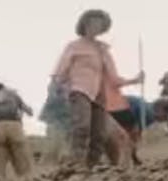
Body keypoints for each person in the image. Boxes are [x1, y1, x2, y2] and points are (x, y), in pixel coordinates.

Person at [51, 9, 142, 168]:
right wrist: (56, 83)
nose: (96, 27)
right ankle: (76, 164)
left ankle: (90, 166)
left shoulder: (103, 50)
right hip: (79, 90)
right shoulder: (74, 46)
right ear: (85, 25)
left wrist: (135, 80)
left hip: (99, 95)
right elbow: (61, 68)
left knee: (99, 133)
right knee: (82, 126)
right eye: (93, 23)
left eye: (100, 24)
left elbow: (114, 78)